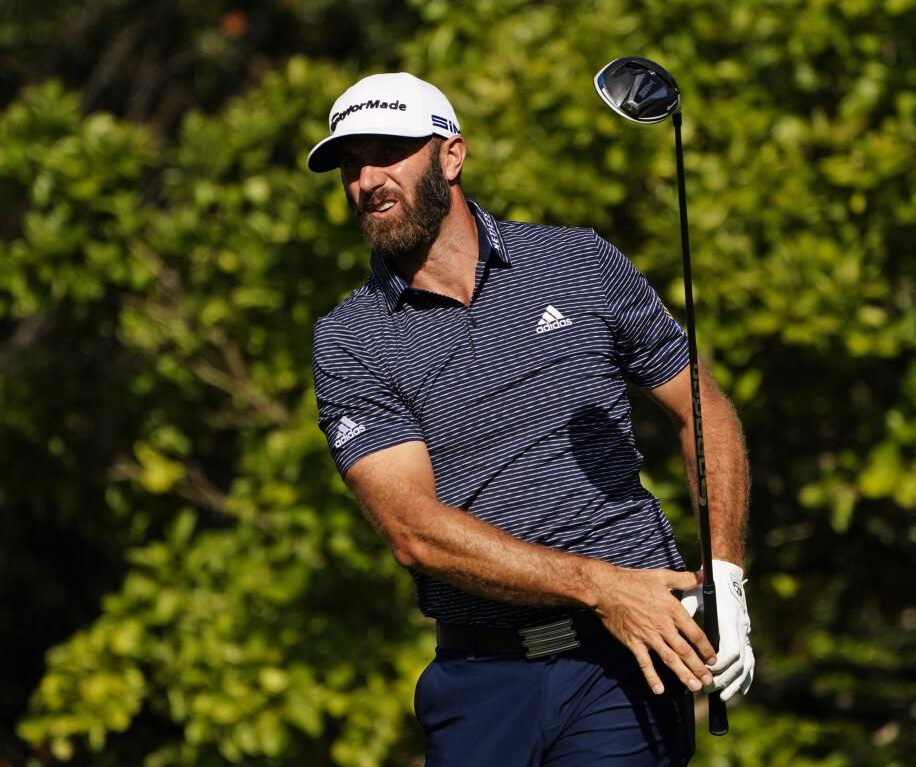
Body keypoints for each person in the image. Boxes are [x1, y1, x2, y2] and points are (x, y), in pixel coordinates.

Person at [307, 71, 754, 767]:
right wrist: (602, 587)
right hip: (482, 682)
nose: (368, 178)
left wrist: (725, 573)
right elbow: (414, 533)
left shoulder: (577, 261)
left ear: (450, 155)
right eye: (351, 163)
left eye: (388, 151)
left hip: (625, 667)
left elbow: (704, 410)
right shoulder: (350, 338)